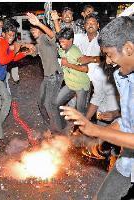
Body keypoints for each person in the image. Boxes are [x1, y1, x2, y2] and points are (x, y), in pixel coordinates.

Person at [60, 16, 134, 200]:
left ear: (129, 49)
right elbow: (127, 122)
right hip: (127, 163)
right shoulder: (122, 76)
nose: (108, 62)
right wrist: (100, 136)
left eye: (109, 55)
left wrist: (95, 129)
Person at [0, 18, 32, 147]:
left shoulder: (5, 42)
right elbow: (4, 60)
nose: (11, 37)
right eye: (9, 35)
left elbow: (11, 58)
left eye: (13, 35)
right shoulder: (1, 42)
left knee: (7, 100)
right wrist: (15, 50)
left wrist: (24, 53)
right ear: (3, 33)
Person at [27, 12, 64, 132]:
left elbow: (53, 35)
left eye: (35, 29)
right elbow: (34, 53)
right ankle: (52, 124)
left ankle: (56, 131)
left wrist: (39, 23)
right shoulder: (39, 41)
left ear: (41, 30)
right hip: (48, 77)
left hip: (55, 75)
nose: (33, 32)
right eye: (31, 30)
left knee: (49, 104)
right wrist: (28, 48)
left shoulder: (45, 38)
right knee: (41, 101)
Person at [55, 27, 90, 120]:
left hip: (81, 85)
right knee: (56, 102)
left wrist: (68, 64)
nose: (61, 44)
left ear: (71, 40)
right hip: (70, 84)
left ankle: (79, 130)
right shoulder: (62, 49)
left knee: (80, 111)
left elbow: (85, 69)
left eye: (63, 42)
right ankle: (61, 123)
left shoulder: (76, 52)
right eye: (60, 42)